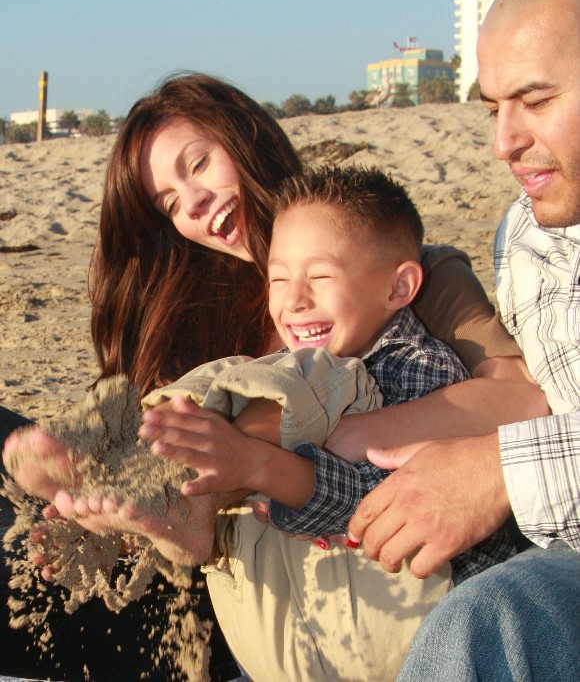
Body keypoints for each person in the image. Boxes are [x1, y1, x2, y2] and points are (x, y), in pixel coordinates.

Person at [1, 72, 547, 680]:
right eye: (171, 204)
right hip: (233, 597)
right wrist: (106, 534)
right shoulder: (189, 318)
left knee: (277, 388)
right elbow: (166, 536)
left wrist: (311, 437)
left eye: (200, 164)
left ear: (248, 139)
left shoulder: (402, 272)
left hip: (352, 599)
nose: (196, 202)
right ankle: (143, 478)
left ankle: (156, 474)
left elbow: (520, 399)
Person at [344, 0, 580, 680]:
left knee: (483, 623)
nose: (503, 141)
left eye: (535, 100)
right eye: (492, 107)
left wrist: (501, 471)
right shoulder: (527, 236)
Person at [139, 165, 515, 585]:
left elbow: (380, 503)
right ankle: (137, 461)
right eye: (279, 279)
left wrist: (263, 468)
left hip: (441, 609)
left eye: (320, 277)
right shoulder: (299, 360)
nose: (295, 300)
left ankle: (182, 497)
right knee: (231, 377)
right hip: (324, 625)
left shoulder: (420, 367)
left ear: (399, 287)